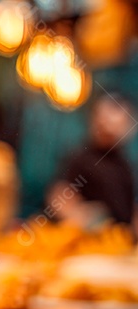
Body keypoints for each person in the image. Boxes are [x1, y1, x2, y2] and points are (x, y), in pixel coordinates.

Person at [48, 94, 136, 230]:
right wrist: (79, 214)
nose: (108, 127)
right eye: (103, 120)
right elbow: (59, 194)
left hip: (121, 242)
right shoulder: (80, 157)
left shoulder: (125, 165)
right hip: (87, 240)